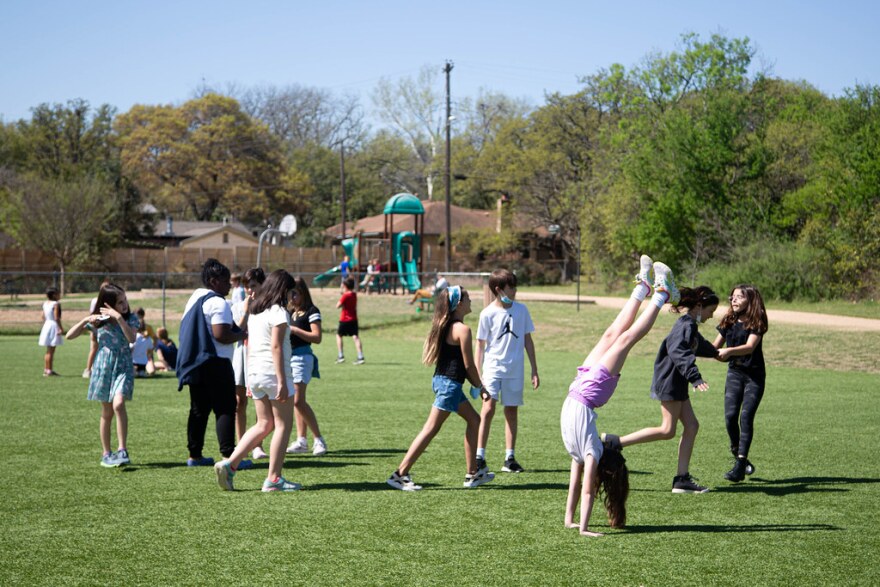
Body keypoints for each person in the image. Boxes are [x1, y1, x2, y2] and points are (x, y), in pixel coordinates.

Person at [562, 255, 675, 536]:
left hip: (580, 385)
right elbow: (587, 491)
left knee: (612, 333)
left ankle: (643, 288)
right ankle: (662, 295)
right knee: (626, 339)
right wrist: (584, 528)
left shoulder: (581, 457)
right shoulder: (590, 451)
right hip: (590, 391)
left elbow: (577, 488)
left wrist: (571, 521)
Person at [604, 282, 720, 494]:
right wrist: (695, 377)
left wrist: (716, 352)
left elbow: (698, 345)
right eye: (711, 311)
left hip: (676, 382)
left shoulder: (689, 325)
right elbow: (678, 351)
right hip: (670, 381)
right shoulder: (686, 325)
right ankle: (615, 442)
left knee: (692, 426)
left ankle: (681, 480)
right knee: (667, 430)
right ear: (700, 306)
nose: (712, 316)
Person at [387, 285, 494, 491]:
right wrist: (480, 386)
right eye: (468, 297)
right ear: (459, 304)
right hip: (450, 385)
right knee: (430, 429)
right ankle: (400, 474)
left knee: (475, 420)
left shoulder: (446, 325)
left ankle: (473, 474)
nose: (471, 301)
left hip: (443, 382)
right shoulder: (463, 329)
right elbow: (469, 365)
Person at [215, 270, 302, 492]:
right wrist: (282, 380)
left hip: (255, 373)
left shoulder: (255, 312)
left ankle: (230, 464)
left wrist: (252, 378)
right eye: (291, 291)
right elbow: (275, 347)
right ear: (282, 290)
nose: (293, 296)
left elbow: (251, 344)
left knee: (263, 424)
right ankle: (273, 479)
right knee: (282, 425)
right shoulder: (279, 312)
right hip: (274, 373)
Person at [177, 258, 248, 467]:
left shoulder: (195, 297)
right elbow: (221, 335)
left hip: (196, 363)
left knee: (198, 409)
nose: (229, 285)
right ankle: (229, 457)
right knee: (225, 408)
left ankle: (195, 455)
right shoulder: (218, 302)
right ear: (213, 281)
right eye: (225, 281)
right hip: (217, 363)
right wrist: (242, 334)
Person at [66, 283, 139, 467]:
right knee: (106, 413)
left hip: (123, 366)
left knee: (119, 403)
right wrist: (85, 320)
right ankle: (106, 453)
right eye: (120, 302)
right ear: (108, 304)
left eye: (125, 300)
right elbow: (69, 336)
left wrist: (119, 318)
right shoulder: (100, 322)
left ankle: (122, 450)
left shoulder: (131, 319)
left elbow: (131, 339)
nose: (124, 305)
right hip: (103, 368)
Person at [475, 269, 539, 474]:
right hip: (492, 369)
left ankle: (509, 458)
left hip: (515, 369)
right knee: (488, 409)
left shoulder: (522, 310)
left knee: (511, 411)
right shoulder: (487, 313)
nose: (515, 291)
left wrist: (534, 369)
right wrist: (478, 375)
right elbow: (480, 345)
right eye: (511, 288)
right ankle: (479, 457)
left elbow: (528, 340)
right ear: (498, 289)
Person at [713, 284, 768, 482]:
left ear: (750, 301)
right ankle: (738, 455)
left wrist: (729, 351)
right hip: (735, 374)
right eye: (732, 296)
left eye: (739, 297)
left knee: (746, 417)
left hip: (754, 377)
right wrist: (692, 346)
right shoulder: (728, 320)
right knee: (730, 417)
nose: (733, 300)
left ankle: (740, 464)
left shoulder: (757, 321)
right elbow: (714, 347)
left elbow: (750, 347)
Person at [285, 277, 328, 456]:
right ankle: (301, 440)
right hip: (290, 358)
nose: (291, 297)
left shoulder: (311, 310)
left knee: (297, 400)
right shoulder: (291, 312)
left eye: (295, 293)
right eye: (289, 294)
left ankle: (319, 439)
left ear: (303, 292)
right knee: (296, 401)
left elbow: (317, 337)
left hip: (303, 357)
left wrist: (295, 330)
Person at [231, 268, 267, 459]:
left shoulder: (268, 307)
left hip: (260, 357)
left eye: (253, 286)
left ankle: (257, 445)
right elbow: (236, 331)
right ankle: (241, 444)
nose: (250, 291)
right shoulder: (238, 306)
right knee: (239, 402)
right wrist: (245, 310)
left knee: (259, 400)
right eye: (247, 287)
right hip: (241, 356)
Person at [83, 278, 111, 378]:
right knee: (94, 348)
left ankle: (100, 369)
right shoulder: (96, 300)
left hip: (108, 327)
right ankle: (88, 369)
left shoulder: (112, 301)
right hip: (97, 326)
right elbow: (92, 314)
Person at [335, 277, 365, 365]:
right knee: (355, 337)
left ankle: (340, 356)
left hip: (345, 319)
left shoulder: (345, 295)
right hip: (354, 319)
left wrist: (342, 293)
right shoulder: (354, 294)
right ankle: (360, 356)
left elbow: (337, 305)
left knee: (339, 335)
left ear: (345, 286)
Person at [38, 287, 64, 376]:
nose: (59, 295)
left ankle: (47, 369)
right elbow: (57, 317)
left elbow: (42, 316)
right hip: (53, 325)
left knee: (48, 350)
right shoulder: (56, 304)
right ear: (54, 295)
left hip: (47, 325)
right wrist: (60, 328)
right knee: (51, 350)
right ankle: (49, 370)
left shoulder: (45, 303)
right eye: (58, 293)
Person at [135, 308, 158, 375]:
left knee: (151, 371)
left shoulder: (148, 327)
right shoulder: (131, 326)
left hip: (145, 355)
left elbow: (155, 338)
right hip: (134, 355)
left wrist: (151, 350)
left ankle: (144, 368)